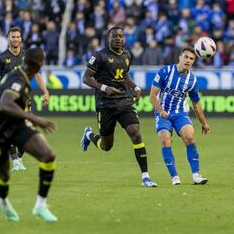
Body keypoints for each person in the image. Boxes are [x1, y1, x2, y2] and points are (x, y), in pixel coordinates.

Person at [0, 47, 58, 222]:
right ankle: (2, 201)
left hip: (14, 125)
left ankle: (40, 206)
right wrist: (35, 119)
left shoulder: (23, 75)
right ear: (39, 65)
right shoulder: (18, 79)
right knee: (4, 174)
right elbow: (5, 105)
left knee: (48, 156)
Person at [80, 26, 157, 187]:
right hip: (105, 104)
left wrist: (135, 87)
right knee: (106, 146)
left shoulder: (127, 54)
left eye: (120, 36)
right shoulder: (100, 55)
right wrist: (103, 88)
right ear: (108, 38)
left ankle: (145, 177)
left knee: (135, 133)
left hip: (124, 101)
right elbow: (86, 78)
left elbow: (124, 75)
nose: (118, 39)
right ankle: (89, 135)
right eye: (114, 36)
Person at [0, 26, 50, 171]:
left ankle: (19, 158)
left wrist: (45, 92)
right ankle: (15, 160)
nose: (15, 39)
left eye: (17, 37)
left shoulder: (27, 57)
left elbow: (37, 75)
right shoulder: (2, 58)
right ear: (8, 38)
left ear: (21, 38)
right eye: (13, 37)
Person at [149, 46, 209, 185]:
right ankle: (174, 177)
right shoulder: (165, 72)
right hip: (163, 113)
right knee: (165, 140)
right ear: (180, 57)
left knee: (189, 137)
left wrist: (204, 123)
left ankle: (196, 175)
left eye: (192, 59)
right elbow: (152, 96)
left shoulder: (192, 80)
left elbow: (196, 104)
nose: (188, 60)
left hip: (180, 113)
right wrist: (160, 110)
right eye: (186, 57)